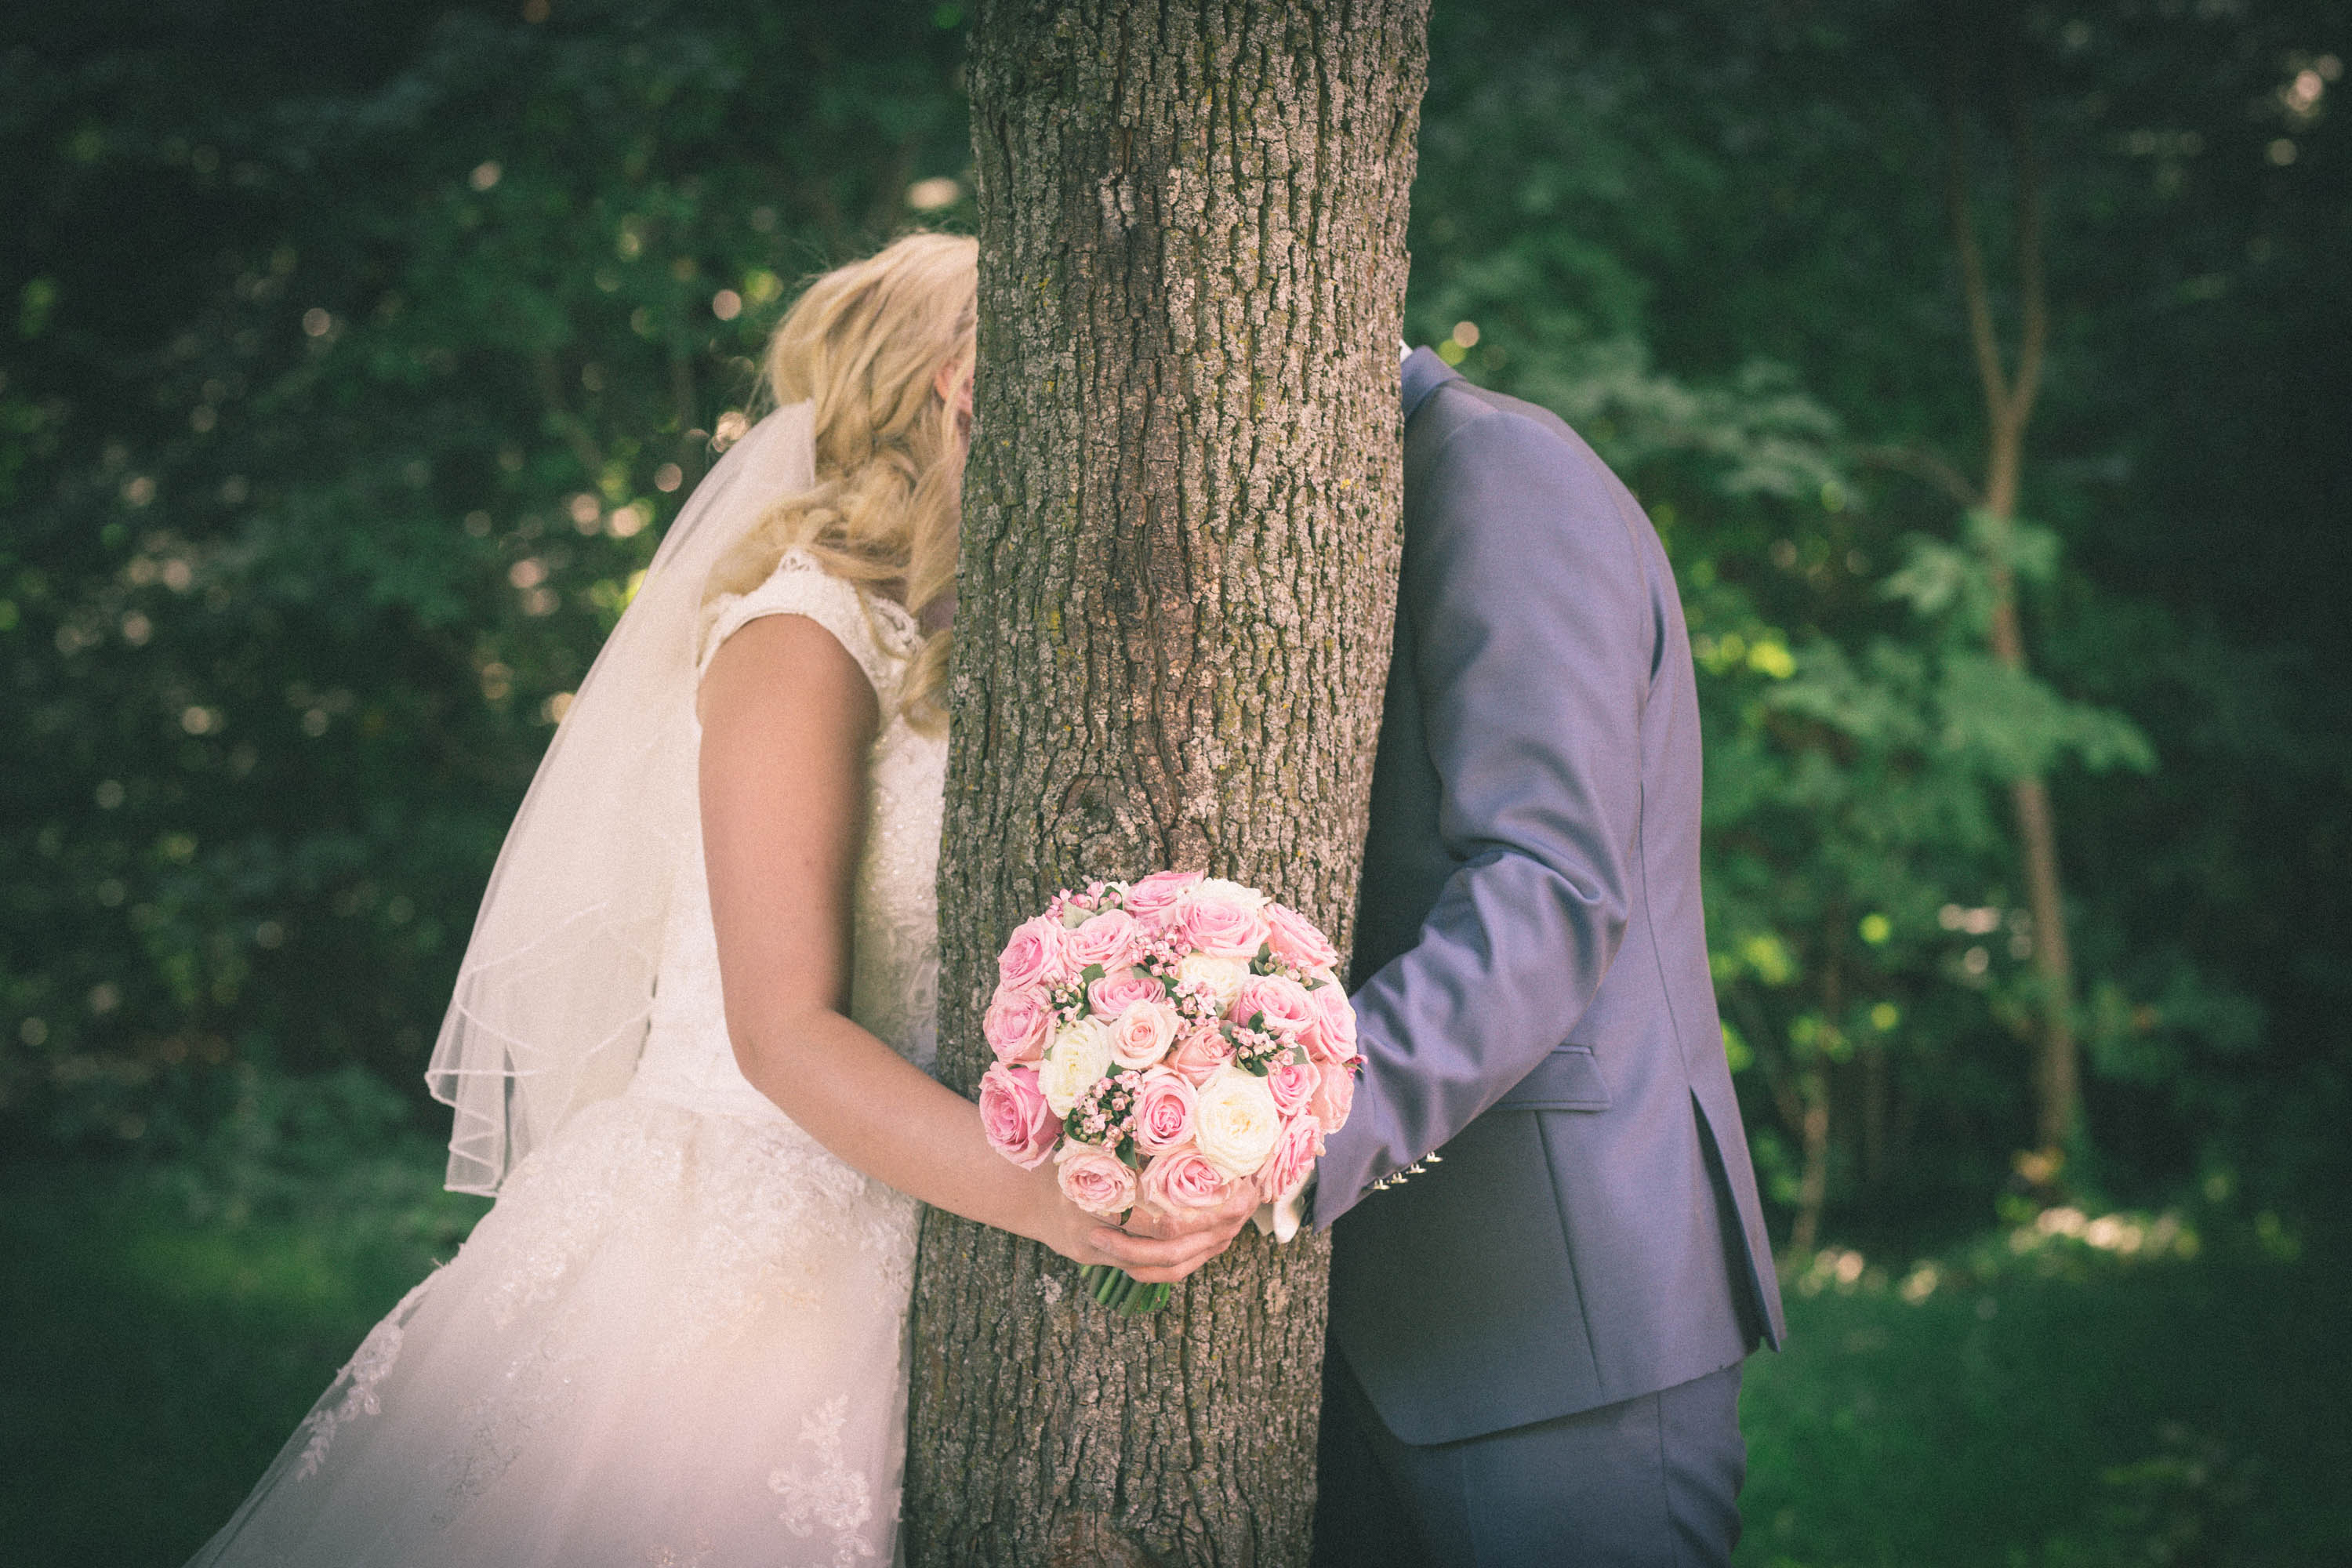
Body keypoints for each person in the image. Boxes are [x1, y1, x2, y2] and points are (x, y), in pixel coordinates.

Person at [184, 233, 1258, 1568]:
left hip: (907, 1218)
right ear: (951, 384)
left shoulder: (963, 640)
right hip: (738, 1235)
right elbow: (779, 1028)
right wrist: (1047, 1197)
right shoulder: (798, 634)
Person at [1306, 346, 1789, 1567]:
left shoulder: (1496, 471)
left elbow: (1551, 887)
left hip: (1555, 1318)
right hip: (1363, 1325)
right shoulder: (1347, 492)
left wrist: (1289, 1128)